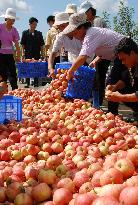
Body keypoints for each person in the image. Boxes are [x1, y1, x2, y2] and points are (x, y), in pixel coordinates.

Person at [62, 13, 127, 102]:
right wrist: (96, 59)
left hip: (127, 51)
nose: (75, 37)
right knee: (118, 82)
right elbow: (105, 47)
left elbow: (83, 56)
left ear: (82, 27)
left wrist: (71, 71)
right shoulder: (92, 33)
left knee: (112, 82)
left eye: (75, 33)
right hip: (120, 54)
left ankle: (112, 113)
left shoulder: (91, 34)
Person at [79, 1, 110, 105]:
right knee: (95, 78)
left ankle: (98, 102)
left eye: (85, 12)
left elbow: (98, 40)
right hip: (97, 53)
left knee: (99, 78)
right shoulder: (90, 23)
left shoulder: (97, 21)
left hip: (102, 55)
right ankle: (95, 101)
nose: (84, 15)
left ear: (90, 10)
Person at [105, 38, 138, 123]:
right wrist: (114, 87)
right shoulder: (133, 65)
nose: (122, 63)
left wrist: (120, 97)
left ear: (132, 53)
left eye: (123, 59)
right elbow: (125, 80)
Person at [21, 17, 45, 88]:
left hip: (37, 53)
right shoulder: (25, 33)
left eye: (36, 24)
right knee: (28, 68)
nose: (35, 26)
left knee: (36, 68)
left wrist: (42, 54)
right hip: (28, 53)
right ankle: (27, 83)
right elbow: (22, 44)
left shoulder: (39, 33)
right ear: (30, 24)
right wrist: (22, 53)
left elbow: (42, 45)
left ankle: (36, 83)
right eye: (34, 24)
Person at [0, 8, 20, 90]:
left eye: (13, 19)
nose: (12, 21)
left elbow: (17, 44)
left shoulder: (14, 30)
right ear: (6, 18)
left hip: (9, 55)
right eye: (11, 19)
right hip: (0, 55)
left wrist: (18, 55)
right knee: (2, 74)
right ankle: (2, 92)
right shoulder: (0, 27)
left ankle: (15, 91)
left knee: (13, 74)